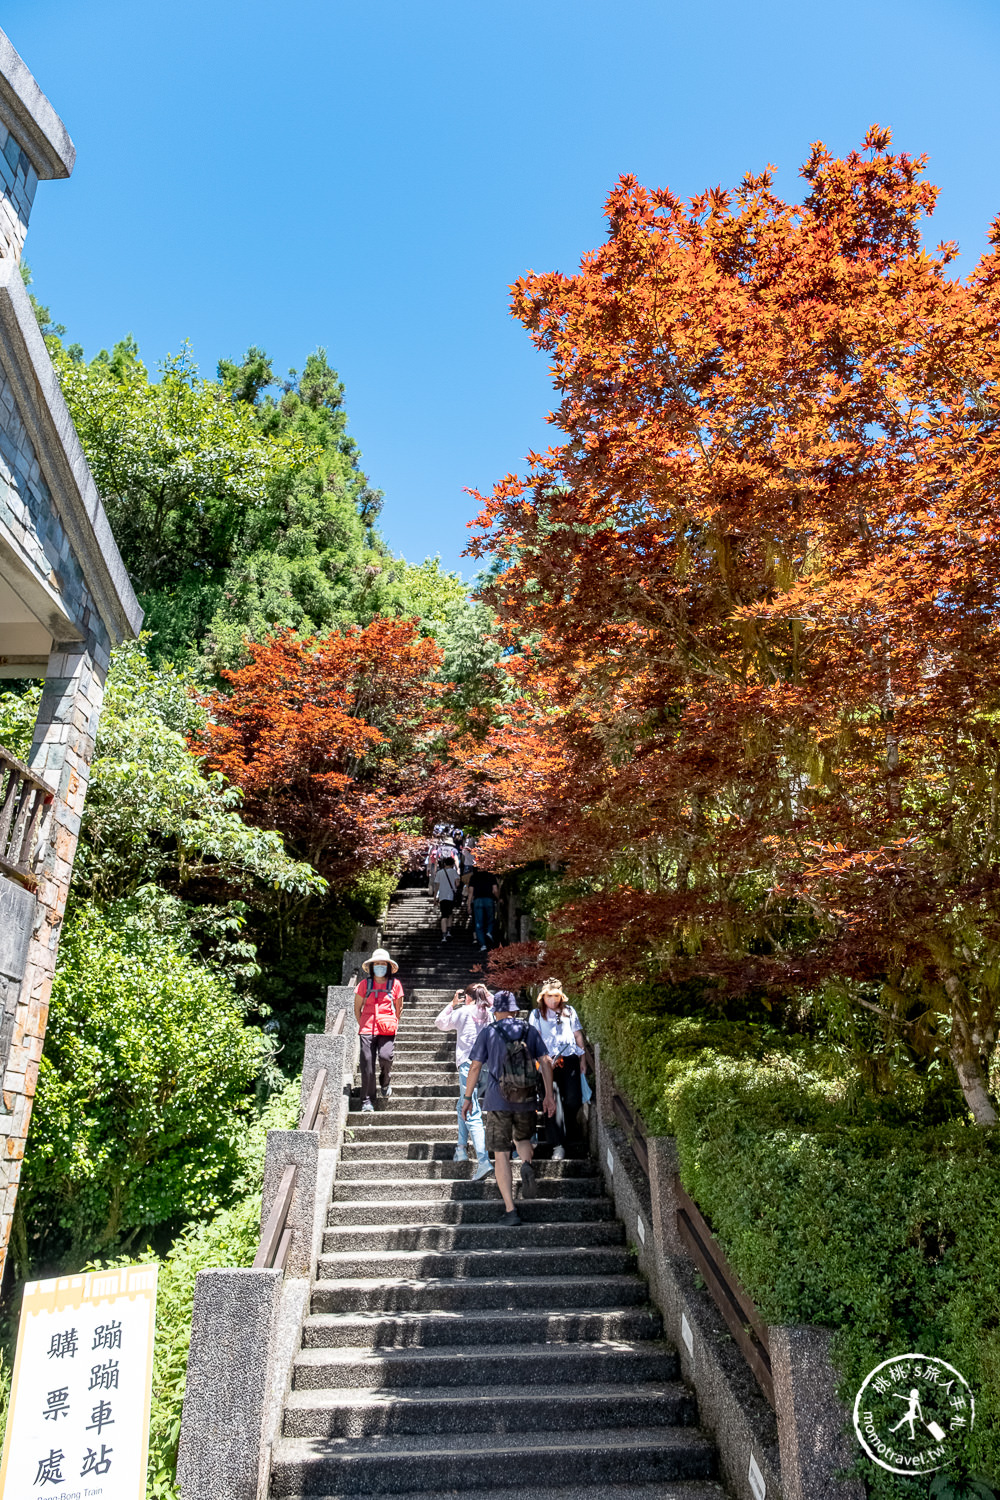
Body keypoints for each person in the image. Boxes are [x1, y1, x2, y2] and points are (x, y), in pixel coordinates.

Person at [463, 991, 555, 1225]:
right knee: (523, 1139)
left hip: (497, 1100)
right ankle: (526, 1164)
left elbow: (474, 1067)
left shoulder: (489, 1032)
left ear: (496, 1012)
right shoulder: (529, 1030)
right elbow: (545, 1061)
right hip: (526, 1098)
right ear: (514, 1009)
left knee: (501, 1154)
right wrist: (548, 1096)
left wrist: (467, 1098)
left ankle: (510, 1210)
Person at [435, 983, 493, 1178]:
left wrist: (451, 1004)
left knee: (471, 1110)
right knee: (464, 1103)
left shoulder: (463, 1011)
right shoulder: (489, 1013)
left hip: (468, 1066)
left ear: (467, 997)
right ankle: (460, 1149)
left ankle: (483, 1160)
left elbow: (440, 1023)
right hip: (487, 1066)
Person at [528, 979, 585, 1160]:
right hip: (547, 1062)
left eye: (556, 996)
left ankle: (568, 1131)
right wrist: (540, 1061)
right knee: (552, 1102)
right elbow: (533, 1039)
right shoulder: (536, 1015)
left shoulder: (569, 1011)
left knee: (573, 1100)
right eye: (549, 996)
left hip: (569, 1059)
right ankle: (558, 1145)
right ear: (543, 997)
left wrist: (582, 1059)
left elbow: (577, 1034)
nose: (553, 1000)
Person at [354, 947, 404, 1112]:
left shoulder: (395, 985)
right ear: (372, 966)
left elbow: (399, 1009)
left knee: (386, 1056)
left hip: (386, 1029)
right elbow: (357, 1008)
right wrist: (363, 1024)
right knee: (367, 1063)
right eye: (377, 964)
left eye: (383, 964)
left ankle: (385, 1081)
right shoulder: (364, 984)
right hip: (367, 1028)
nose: (380, 967)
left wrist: (391, 1022)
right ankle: (367, 1100)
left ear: (388, 966)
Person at [465, 863, 500, 952]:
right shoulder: (491, 876)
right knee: (491, 919)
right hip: (489, 899)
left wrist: (469, 905)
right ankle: (489, 931)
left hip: (477, 900)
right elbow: (495, 890)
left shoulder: (474, 877)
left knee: (478, 923)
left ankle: (483, 944)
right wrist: (499, 899)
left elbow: (470, 892)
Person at [434, 851, 461, 942]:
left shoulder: (439, 873)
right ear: (453, 864)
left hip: (442, 896)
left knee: (443, 915)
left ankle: (444, 935)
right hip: (451, 896)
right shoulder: (454, 872)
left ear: (444, 864)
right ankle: (449, 932)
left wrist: (435, 899)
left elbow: (436, 887)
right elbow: (457, 884)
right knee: (450, 914)